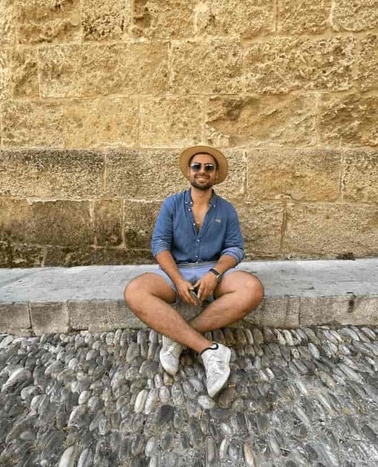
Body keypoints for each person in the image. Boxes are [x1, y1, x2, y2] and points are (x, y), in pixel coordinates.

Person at [124, 145, 264, 397]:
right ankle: (209, 350)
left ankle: (178, 337)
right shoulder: (172, 204)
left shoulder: (226, 210)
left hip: (212, 270)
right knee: (135, 291)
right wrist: (177, 280)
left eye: (209, 167)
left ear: (215, 174)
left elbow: (235, 248)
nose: (202, 171)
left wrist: (215, 273)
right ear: (188, 172)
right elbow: (159, 245)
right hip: (175, 271)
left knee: (252, 288)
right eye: (197, 166)